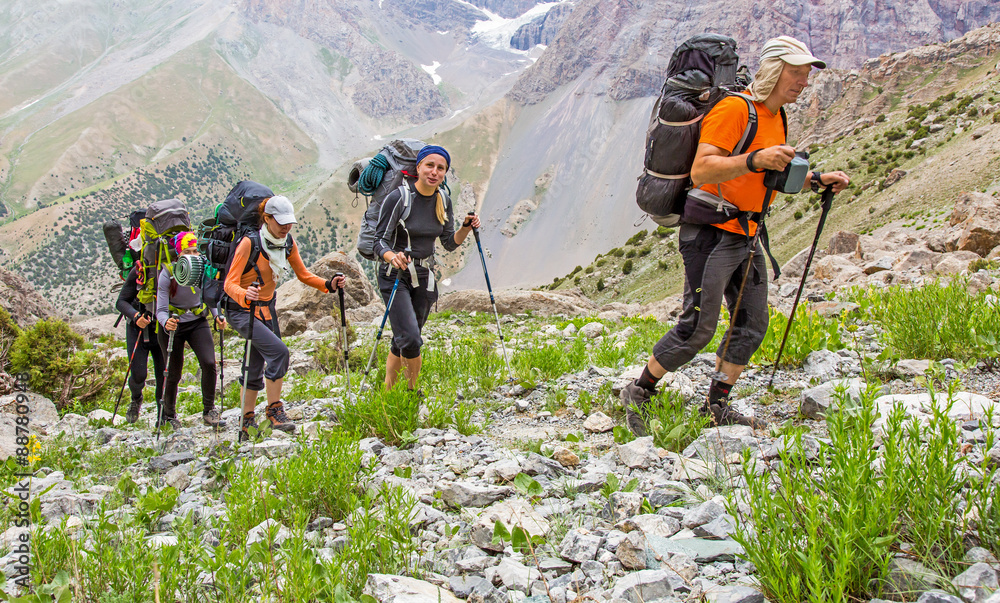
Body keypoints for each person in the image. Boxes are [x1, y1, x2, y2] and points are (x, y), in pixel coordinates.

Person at [621, 36, 851, 433]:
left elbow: (768, 174)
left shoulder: (775, 115)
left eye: (806, 74)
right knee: (698, 326)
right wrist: (754, 159)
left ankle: (716, 405)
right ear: (774, 71)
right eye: (796, 72)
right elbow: (703, 170)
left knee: (752, 321)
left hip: (746, 233)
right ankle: (639, 391)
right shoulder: (734, 110)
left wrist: (814, 180)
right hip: (710, 233)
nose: (803, 81)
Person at [224, 196, 346, 441]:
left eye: (289, 222)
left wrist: (328, 284)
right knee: (279, 353)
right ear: (266, 218)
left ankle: (247, 420)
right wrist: (245, 294)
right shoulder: (250, 243)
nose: (286, 227)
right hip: (242, 310)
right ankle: (275, 410)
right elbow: (229, 283)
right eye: (280, 222)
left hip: (267, 308)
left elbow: (303, 274)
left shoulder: (287, 242)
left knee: (255, 362)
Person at [373, 144, 479, 390]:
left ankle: (388, 395)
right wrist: (391, 256)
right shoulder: (399, 198)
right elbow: (379, 240)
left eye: (441, 168)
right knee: (411, 339)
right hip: (395, 276)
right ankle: (411, 393)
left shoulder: (443, 200)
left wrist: (466, 227)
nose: (434, 172)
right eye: (429, 165)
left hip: (424, 277)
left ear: (445, 173)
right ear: (418, 167)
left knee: (403, 340)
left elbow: (449, 243)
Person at [156, 232, 227, 430]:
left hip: (197, 320)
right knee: (173, 372)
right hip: (173, 324)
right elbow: (160, 310)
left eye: (195, 251)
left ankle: (209, 410)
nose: (193, 255)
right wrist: (166, 322)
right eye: (187, 251)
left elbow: (209, 296)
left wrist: (217, 315)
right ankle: (168, 415)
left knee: (209, 362)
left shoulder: (203, 270)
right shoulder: (167, 273)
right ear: (179, 255)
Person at [116, 266, 165, 424]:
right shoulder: (138, 271)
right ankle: (136, 398)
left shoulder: (172, 271)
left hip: (161, 329)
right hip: (137, 328)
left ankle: (163, 414)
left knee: (164, 374)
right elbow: (121, 302)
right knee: (138, 374)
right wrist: (136, 316)